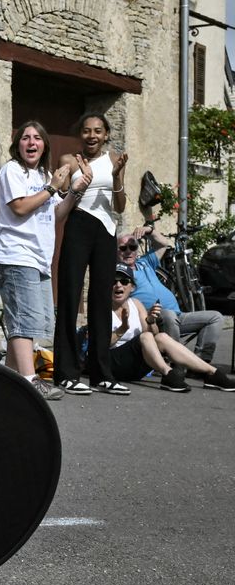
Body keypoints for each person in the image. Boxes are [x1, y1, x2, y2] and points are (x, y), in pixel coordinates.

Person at [0, 122, 86, 401]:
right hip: (17, 255)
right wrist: (52, 186)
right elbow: (19, 208)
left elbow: (55, 215)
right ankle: (30, 381)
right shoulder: (12, 171)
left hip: (39, 259)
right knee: (23, 323)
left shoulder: (44, 175)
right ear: (17, 144)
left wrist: (75, 191)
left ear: (44, 145)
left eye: (37, 138)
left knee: (33, 324)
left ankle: (4, 380)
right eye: (25, 138)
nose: (31, 142)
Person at [53, 113, 129, 395]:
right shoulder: (69, 161)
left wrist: (117, 176)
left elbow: (119, 206)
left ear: (106, 134)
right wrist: (74, 184)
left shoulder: (115, 160)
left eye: (98, 131)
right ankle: (66, 373)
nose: (92, 135)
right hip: (78, 226)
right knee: (71, 297)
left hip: (106, 230)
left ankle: (101, 374)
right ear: (80, 135)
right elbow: (57, 196)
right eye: (86, 131)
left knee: (100, 301)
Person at [107, 264, 235, 392]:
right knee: (145, 337)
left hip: (136, 366)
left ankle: (211, 373)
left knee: (161, 337)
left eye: (124, 281)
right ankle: (168, 373)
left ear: (132, 287)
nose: (118, 285)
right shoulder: (102, 307)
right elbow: (99, 346)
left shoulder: (136, 304)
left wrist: (151, 320)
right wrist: (122, 329)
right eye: (113, 281)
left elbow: (151, 335)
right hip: (113, 365)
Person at [119, 227, 225, 370]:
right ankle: (178, 365)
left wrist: (149, 230)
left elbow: (163, 243)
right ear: (115, 251)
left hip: (177, 316)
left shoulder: (145, 262)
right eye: (123, 247)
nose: (128, 251)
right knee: (167, 314)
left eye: (132, 247)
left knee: (216, 317)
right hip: (153, 320)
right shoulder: (119, 275)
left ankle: (201, 362)